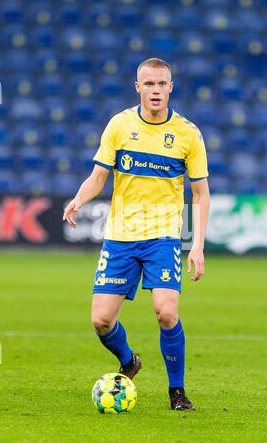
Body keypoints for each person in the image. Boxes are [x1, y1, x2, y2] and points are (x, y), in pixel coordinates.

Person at [63, 58, 210, 411]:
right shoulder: (120, 125)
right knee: (101, 320)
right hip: (120, 237)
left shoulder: (188, 134)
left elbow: (202, 193)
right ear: (138, 87)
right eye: (149, 84)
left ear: (171, 87)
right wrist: (78, 200)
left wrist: (197, 246)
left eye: (162, 84)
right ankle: (130, 362)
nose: (156, 90)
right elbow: (98, 176)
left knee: (166, 312)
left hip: (162, 237)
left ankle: (177, 391)